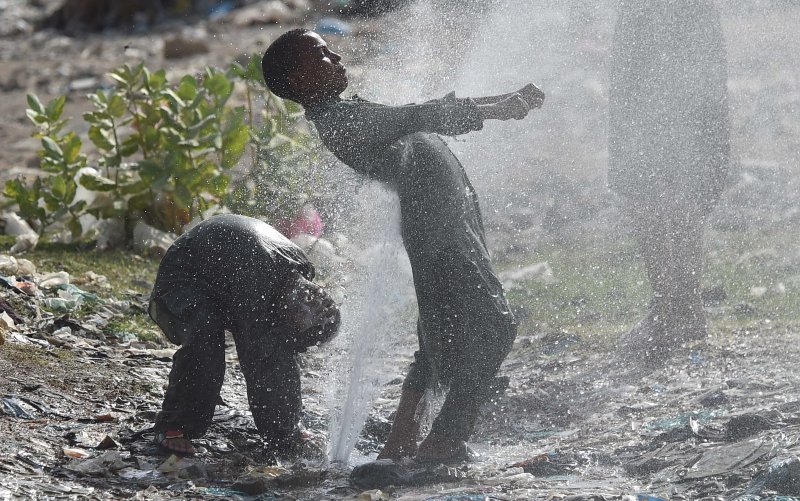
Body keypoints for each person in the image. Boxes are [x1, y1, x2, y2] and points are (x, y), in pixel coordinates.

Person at [261, 29, 544, 463]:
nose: (336, 56)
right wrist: (502, 105)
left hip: (443, 224)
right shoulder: (340, 121)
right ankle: (444, 443)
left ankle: (400, 444)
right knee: (493, 327)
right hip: (441, 231)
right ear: (297, 80)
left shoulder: (341, 113)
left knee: (438, 339)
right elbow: (421, 116)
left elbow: (416, 121)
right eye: (320, 55)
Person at [149, 214, 340, 456]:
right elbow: (261, 362)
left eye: (311, 311)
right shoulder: (261, 284)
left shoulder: (293, 275)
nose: (309, 303)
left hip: (221, 274)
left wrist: (286, 429)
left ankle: (286, 427)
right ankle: (173, 426)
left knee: (272, 348)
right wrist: (283, 440)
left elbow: (277, 354)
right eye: (314, 301)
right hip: (183, 275)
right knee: (206, 339)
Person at [608, 1, 730, 356]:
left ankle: (672, 307)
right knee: (661, 177)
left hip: (665, 27)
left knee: (662, 179)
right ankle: (678, 306)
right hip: (674, 27)